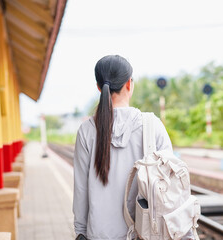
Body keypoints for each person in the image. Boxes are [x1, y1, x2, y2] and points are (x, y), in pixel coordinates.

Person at [73, 55, 173, 240]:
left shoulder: (86, 130)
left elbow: (81, 187)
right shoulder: (152, 125)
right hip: (144, 233)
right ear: (129, 84)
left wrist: (80, 230)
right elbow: (171, 184)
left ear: (98, 87)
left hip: (99, 234)